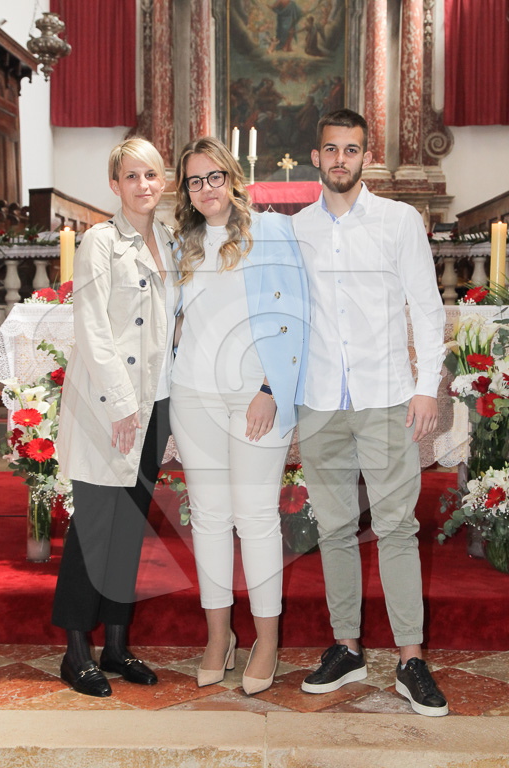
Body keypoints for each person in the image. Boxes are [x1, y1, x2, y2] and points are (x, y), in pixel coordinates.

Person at [292, 109, 449, 717]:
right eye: (331, 149)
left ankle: (410, 659)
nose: (341, 159)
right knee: (333, 529)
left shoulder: (398, 221)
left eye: (351, 149)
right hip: (321, 399)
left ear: (365, 157)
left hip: (386, 395)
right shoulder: (297, 229)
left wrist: (426, 389)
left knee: (396, 527)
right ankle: (347, 647)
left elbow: (427, 308)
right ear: (317, 156)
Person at [170, 136, 308, 695]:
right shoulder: (182, 242)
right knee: (208, 517)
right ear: (186, 190)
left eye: (215, 176)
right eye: (195, 181)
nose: (206, 188)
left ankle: (267, 640)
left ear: (232, 178)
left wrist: (272, 387)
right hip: (192, 393)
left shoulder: (271, 231)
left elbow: (296, 310)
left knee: (254, 516)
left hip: (255, 393)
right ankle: (218, 636)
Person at [52, 138, 179, 698]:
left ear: (163, 180)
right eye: (131, 176)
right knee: (95, 529)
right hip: (111, 407)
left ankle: (117, 645)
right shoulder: (100, 242)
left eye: (150, 175)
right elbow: (92, 329)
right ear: (115, 184)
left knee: (130, 528)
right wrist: (123, 404)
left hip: (155, 405)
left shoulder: (170, 241)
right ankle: (76, 650)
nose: (142, 185)